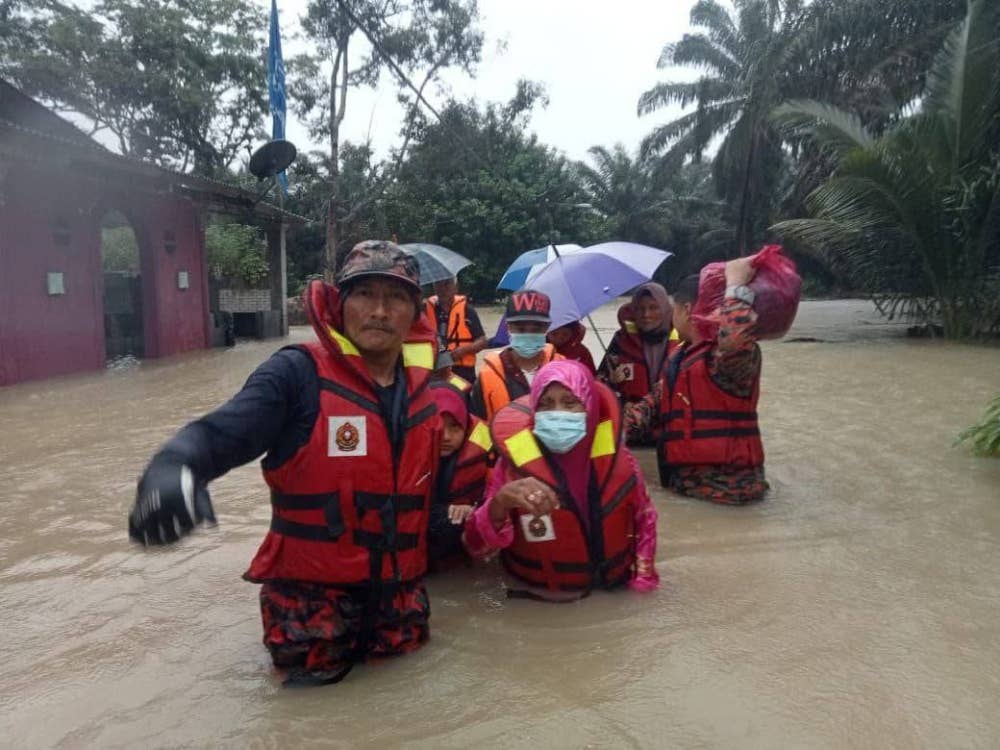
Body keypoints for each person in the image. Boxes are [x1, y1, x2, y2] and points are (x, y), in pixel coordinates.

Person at [127, 240, 441, 685]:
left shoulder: (428, 391)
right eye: (365, 294)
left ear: (416, 313)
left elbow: (447, 489)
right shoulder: (295, 375)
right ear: (338, 303)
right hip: (311, 608)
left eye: (396, 297)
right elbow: (220, 433)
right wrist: (174, 465)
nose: (379, 311)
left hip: (401, 603)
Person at [463, 360, 659, 600]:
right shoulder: (513, 464)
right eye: (546, 405)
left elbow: (646, 519)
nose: (558, 413)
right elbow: (476, 548)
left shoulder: (622, 460)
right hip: (538, 601)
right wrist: (499, 504)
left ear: (590, 407)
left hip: (613, 590)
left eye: (569, 403)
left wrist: (644, 581)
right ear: (534, 410)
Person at [625, 258, 768, 505]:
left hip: (730, 496)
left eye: (674, 308)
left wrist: (735, 286)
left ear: (687, 310)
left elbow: (738, 339)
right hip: (686, 491)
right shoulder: (680, 358)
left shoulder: (724, 359)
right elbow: (645, 410)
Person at [598, 282, 677, 445]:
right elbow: (598, 385)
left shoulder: (682, 340)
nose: (646, 314)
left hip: (671, 434)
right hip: (630, 437)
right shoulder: (621, 341)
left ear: (665, 309)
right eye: (640, 309)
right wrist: (610, 381)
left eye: (653, 308)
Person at [470, 289, 563, 423]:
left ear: (547, 328)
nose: (528, 335)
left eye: (536, 329)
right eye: (520, 329)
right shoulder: (487, 376)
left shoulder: (563, 369)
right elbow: (477, 427)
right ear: (508, 328)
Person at [427, 382, 492, 570]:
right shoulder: (405, 452)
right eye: (438, 426)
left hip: (459, 557)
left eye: (455, 427)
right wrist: (446, 511)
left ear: (466, 426)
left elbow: (495, 499)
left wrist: (473, 510)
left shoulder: (486, 448)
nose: (446, 436)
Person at [425, 275, 487, 383]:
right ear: (434, 287)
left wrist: (464, 350)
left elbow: (482, 341)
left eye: (447, 284)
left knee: (462, 398)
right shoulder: (425, 310)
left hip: (463, 372)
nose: (442, 288)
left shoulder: (468, 310)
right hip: (434, 371)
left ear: (456, 287)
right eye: (438, 284)